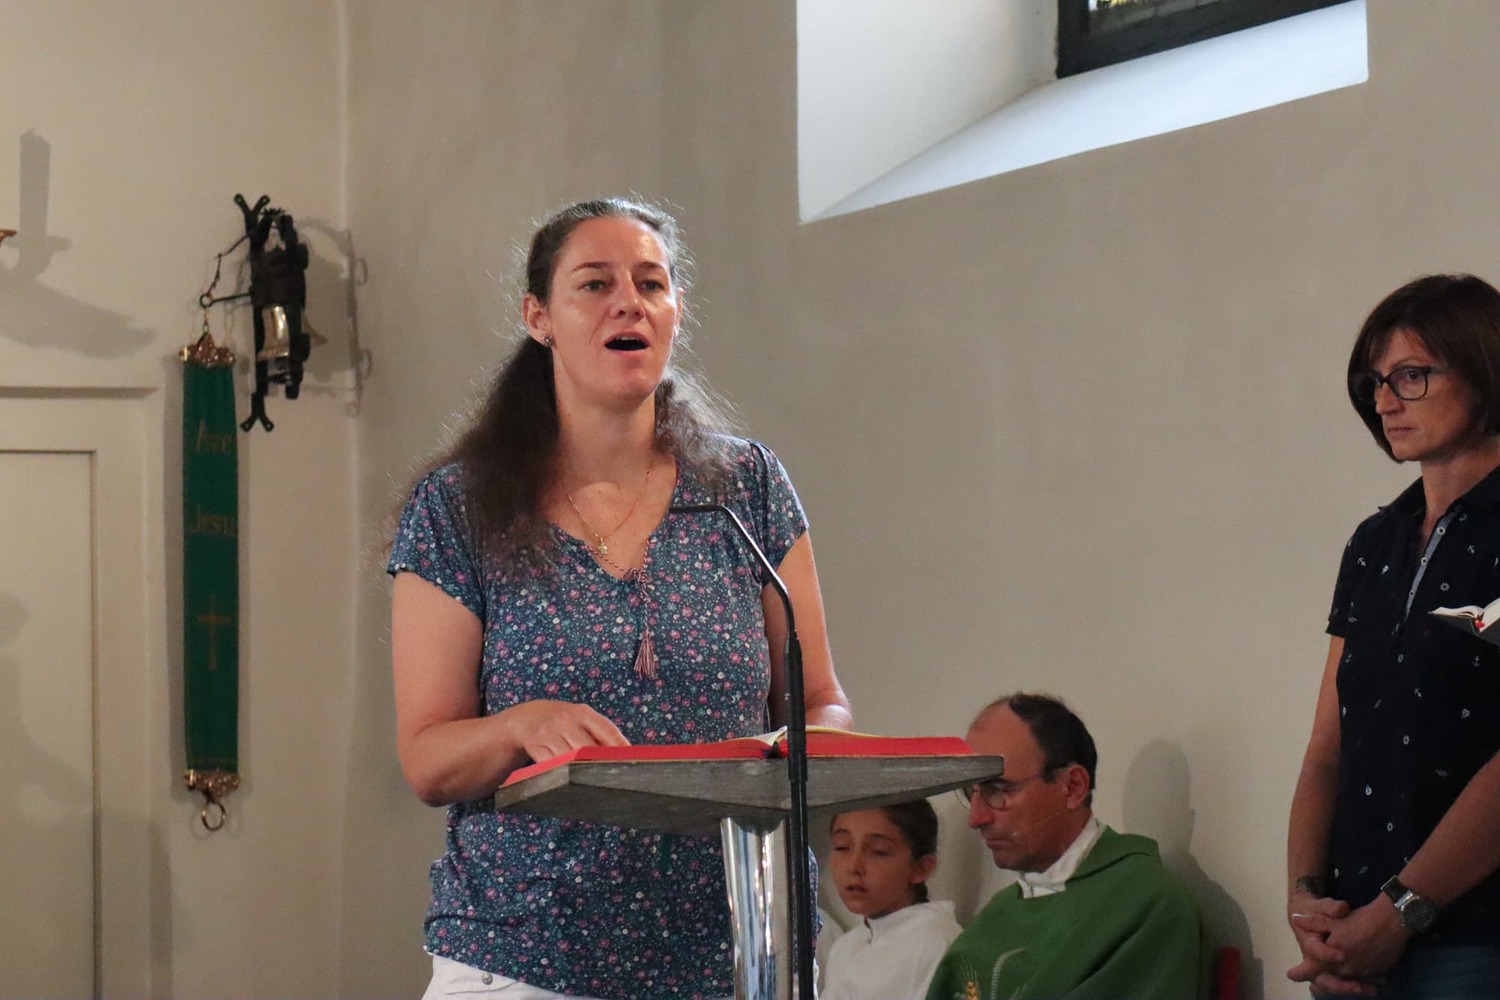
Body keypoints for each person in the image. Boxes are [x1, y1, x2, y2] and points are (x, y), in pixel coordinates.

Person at [387, 196, 852, 1000]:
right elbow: (428, 757)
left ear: (675, 312)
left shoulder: (745, 487)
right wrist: (520, 725)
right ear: (539, 318)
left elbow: (820, 703)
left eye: (650, 284)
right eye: (595, 284)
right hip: (528, 955)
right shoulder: (460, 507)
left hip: (737, 950)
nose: (628, 303)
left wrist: (797, 752)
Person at [1286, 274, 1500, 998]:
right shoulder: (1374, 543)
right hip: (1352, 936)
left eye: (1411, 375)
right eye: (1374, 382)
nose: (1384, 402)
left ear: (1483, 368)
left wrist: (1402, 912)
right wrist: (1307, 904)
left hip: (1476, 939)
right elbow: (1327, 749)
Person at [925, 693, 1208, 1000]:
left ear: (1073, 787)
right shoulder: (999, 911)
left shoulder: (1148, 906)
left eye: (999, 790)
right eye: (971, 792)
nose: (976, 818)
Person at [821, 801, 963, 1000]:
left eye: (879, 851)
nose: (854, 866)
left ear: (921, 868)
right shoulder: (845, 947)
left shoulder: (937, 944)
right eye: (842, 847)